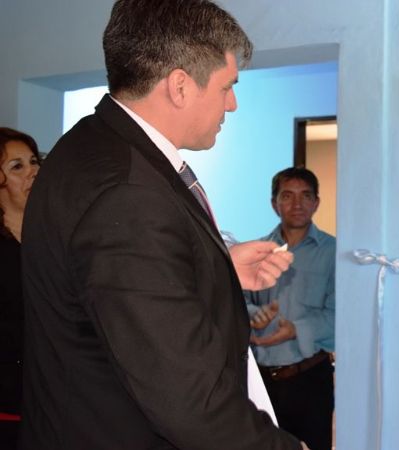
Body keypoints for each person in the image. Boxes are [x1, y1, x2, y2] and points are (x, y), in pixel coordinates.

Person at [19, 1, 306, 449]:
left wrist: (219, 267)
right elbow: (187, 398)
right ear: (179, 86)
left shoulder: (91, 147)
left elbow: (113, 295)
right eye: (227, 86)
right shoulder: (126, 192)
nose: (232, 103)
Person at [246, 167, 335, 450]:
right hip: (261, 381)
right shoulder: (257, 251)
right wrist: (254, 317)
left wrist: (295, 330)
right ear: (275, 204)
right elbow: (240, 300)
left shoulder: (334, 252)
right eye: (287, 196)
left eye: (305, 196)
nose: (297, 204)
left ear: (316, 202)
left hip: (309, 379)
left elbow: (341, 316)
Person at [0, 127, 40, 447]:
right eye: (17, 167)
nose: (33, 172)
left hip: (53, 403)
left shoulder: (54, 239)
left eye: (33, 161)